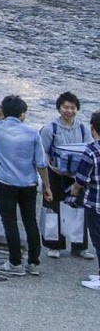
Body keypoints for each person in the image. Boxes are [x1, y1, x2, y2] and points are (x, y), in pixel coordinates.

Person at [0, 94, 54, 274]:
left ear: (4, 112)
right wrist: (47, 186)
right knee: (30, 221)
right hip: (28, 183)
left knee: (10, 222)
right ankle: (33, 262)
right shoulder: (32, 132)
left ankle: (15, 263)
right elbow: (41, 163)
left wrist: (2, 106)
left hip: (5, 182)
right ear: (22, 114)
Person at [41, 91, 91, 258]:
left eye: (73, 107)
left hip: (76, 175)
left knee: (78, 208)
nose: (69, 111)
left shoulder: (84, 129)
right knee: (52, 208)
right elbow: (43, 152)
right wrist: (50, 166)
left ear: (77, 109)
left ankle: (79, 247)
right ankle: (53, 245)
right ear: (59, 108)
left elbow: (89, 150)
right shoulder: (50, 129)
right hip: (55, 173)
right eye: (66, 107)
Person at [69, 109, 100, 290]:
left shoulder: (92, 151)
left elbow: (81, 180)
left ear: (92, 128)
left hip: (95, 202)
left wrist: (73, 193)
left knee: (97, 239)